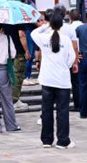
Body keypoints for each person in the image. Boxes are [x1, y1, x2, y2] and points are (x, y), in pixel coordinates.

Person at [32, 10, 77, 149]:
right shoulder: (66, 40)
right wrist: (65, 67)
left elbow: (33, 33)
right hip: (62, 79)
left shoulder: (44, 38)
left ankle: (46, 139)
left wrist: (46, 25)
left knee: (46, 110)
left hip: (47, 78)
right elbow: (72, 58)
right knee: (63, 111)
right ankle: (63, 140)